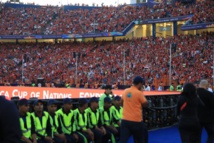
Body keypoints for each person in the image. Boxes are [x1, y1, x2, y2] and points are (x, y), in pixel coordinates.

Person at [119, 76, 148, 143]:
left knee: (122, 140)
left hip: (125, 120)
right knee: (140, 140)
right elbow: (146, 104)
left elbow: (121, 103)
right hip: (136, 121)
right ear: (140, 83)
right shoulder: (138, 93)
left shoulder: (126, 91)